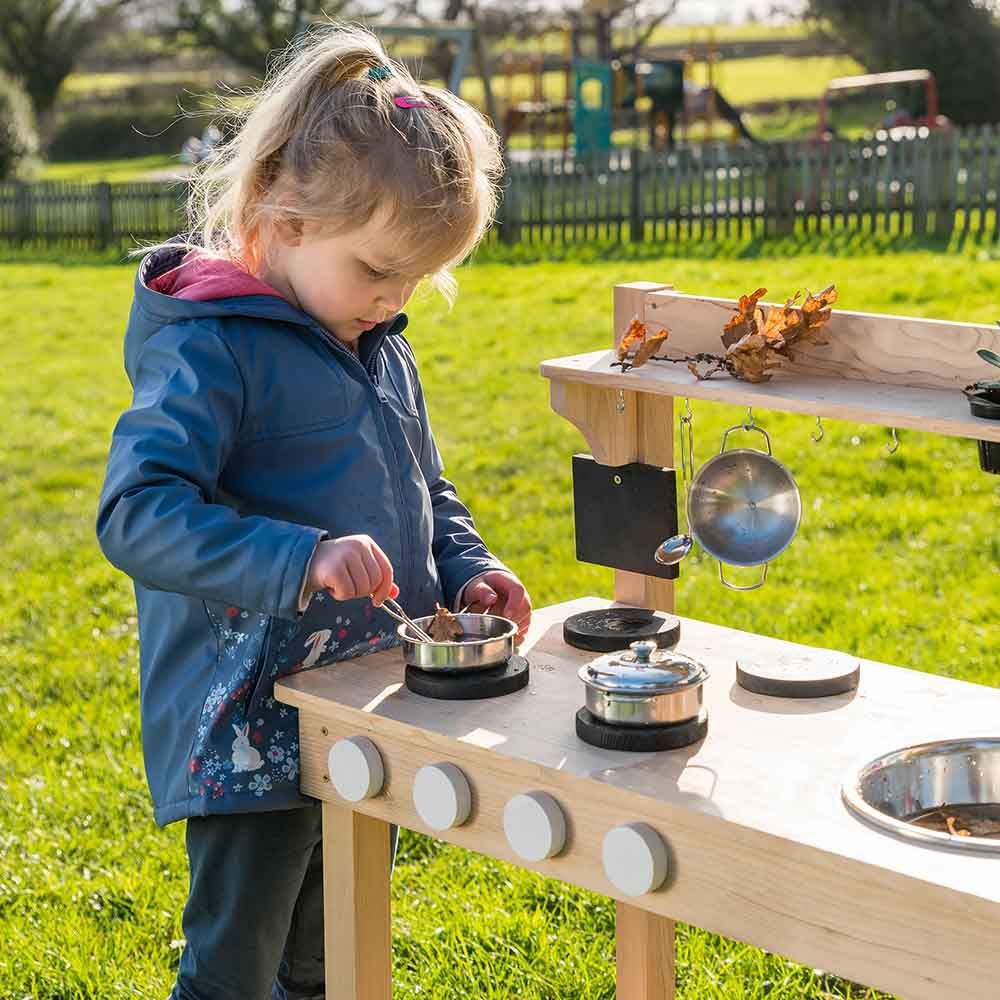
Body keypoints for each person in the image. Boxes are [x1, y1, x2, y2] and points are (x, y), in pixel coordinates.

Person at [96, 23, 531, 1000]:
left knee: (336, 952)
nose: (395, 298)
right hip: (247, 722)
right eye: (377, 272)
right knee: (238, 964)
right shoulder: (211, 347)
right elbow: (135, 513)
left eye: (417, 278)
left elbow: (426, 484)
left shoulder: (374, 340)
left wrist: (470, 566)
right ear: (282, 217)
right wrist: (298, 558)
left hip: (362, 699)